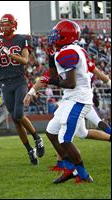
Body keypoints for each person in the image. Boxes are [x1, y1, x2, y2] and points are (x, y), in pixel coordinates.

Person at [37, 20, 95, 184]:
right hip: (71, 97)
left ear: (65, 35)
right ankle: (70, 168)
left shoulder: (67, 52)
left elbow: (70, 83)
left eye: (57, 33)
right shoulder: (69, 50)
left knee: (65, 138)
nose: (53, 37)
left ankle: (83, 175)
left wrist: (50, 82)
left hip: (78, 99)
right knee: (51, 131)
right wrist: (50, 56)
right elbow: (57, 76)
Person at [24, 67, 111, 172]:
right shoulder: (61, 63)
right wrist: (31, 92)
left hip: (80, 100)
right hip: (72, 101)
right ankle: (64, 164)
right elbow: (44, 78)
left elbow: (94, 72)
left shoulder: (74, 59)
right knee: (81, 133)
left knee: (60, 131)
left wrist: (109, 82)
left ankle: (66, 165)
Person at [0, 13, 44, 165]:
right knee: (15, 119)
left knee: (19, 113)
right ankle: (29, 150)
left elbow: (25, 60)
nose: (4, 27)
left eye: (7, 24)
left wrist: (9, 54)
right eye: (3, 24)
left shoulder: (22, 38)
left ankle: (37, 138)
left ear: (13, 25)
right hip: (5, 83)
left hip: (19, 81)